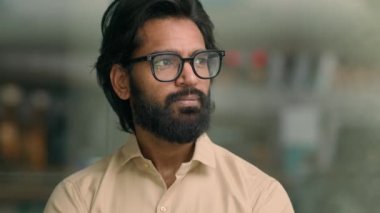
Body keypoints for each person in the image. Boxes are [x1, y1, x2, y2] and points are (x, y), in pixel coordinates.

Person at [44, 0, 294, 212]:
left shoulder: (259, 199)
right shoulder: (78, 201)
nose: (191, 77)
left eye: (200, 60)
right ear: (122, 81)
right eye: (165, 61)